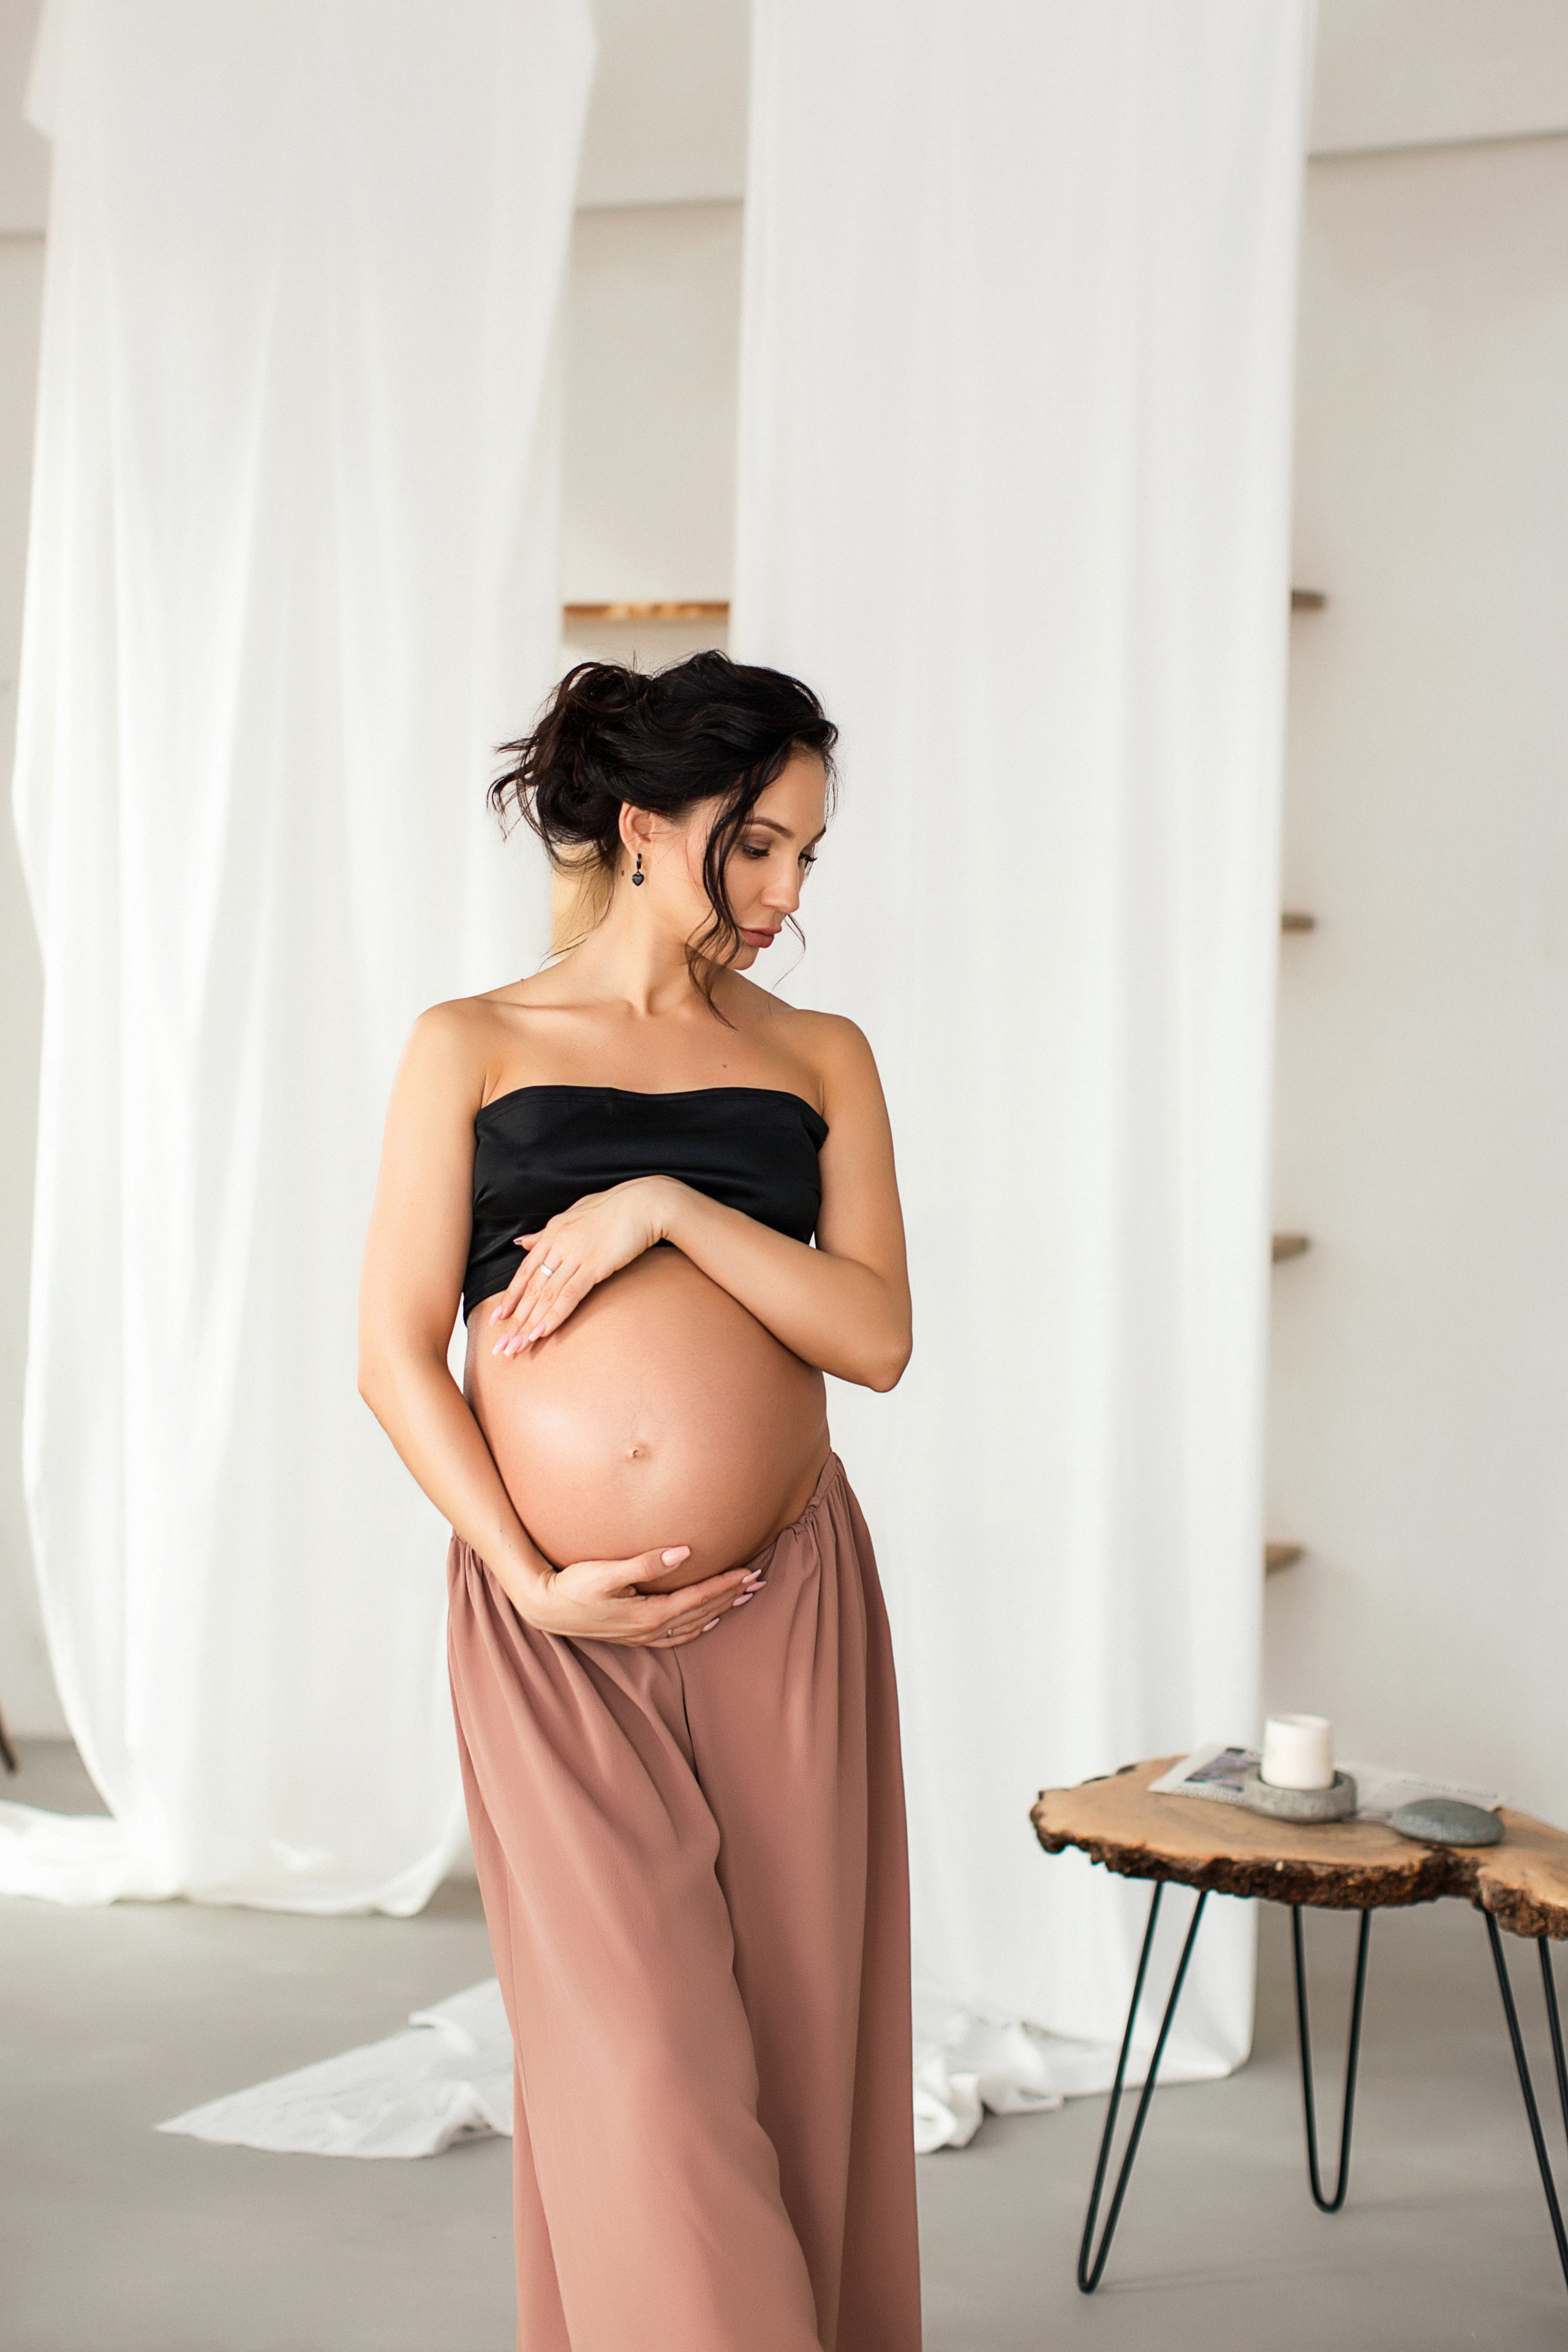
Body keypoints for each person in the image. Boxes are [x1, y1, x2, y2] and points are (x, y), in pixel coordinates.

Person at [358, 651, 921, 2352]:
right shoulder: (469, 1044)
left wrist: (668, 1204)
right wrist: (527, 1578)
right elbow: (394, 1356)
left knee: (802, 2072)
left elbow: (876, 1336)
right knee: (643, 2079)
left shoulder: (822, 1055)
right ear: (638, 822)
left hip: (787, 1611)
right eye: (756, 845)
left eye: (808, 856)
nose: (784, 894)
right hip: (555, 1638)